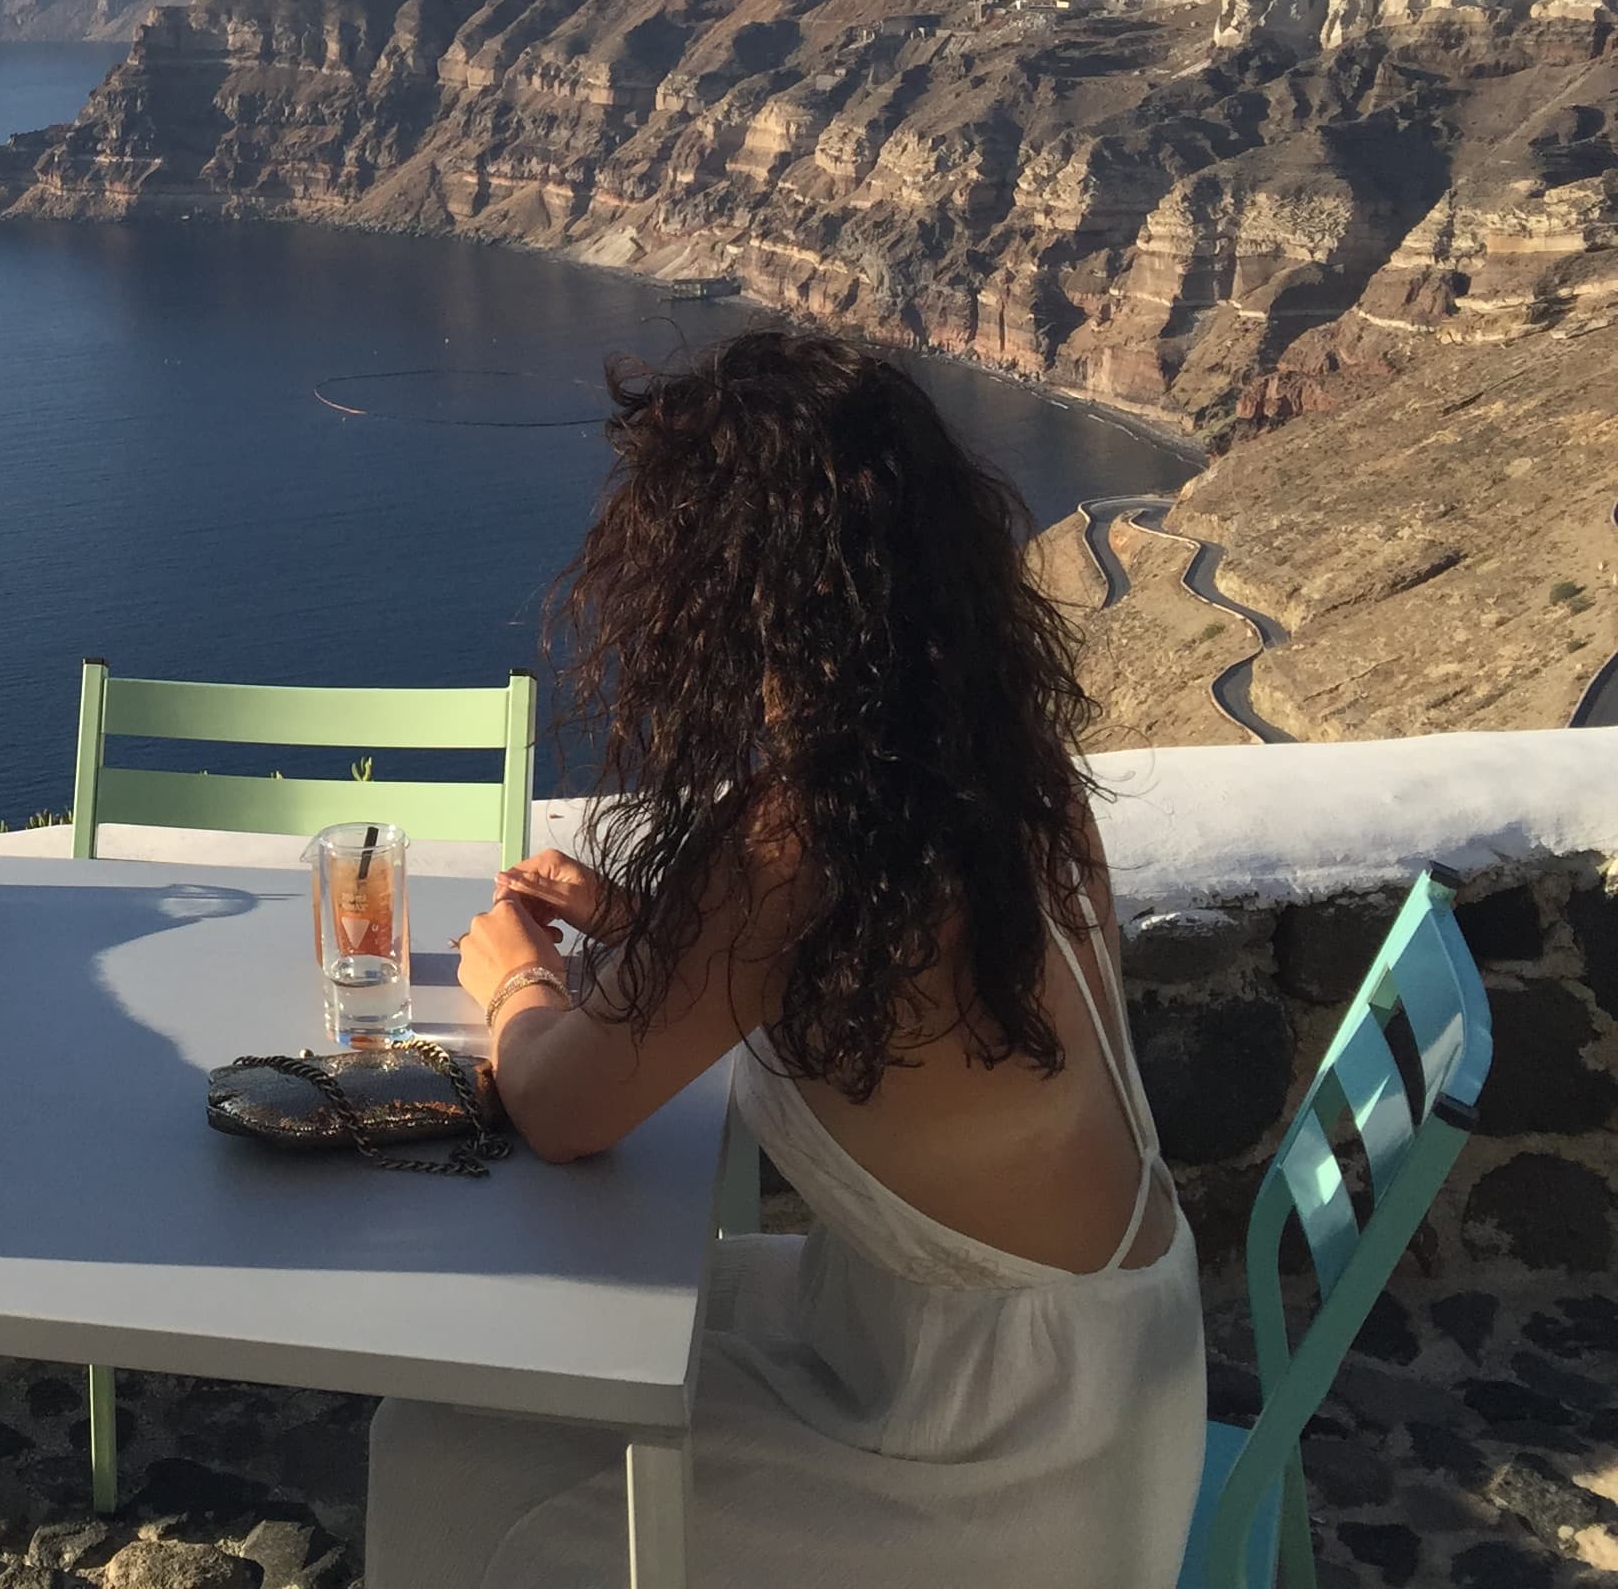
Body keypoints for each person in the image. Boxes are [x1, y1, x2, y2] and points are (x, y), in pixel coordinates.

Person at [367, 329, 1201, 1588]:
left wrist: (512, 978)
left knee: (532, 1544)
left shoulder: (796, 842)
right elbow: (883, 997)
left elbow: (559, 1107)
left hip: (996, 1450)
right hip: (1081, 1363)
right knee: (440, 1433)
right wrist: (655, 934)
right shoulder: (1006, 775)